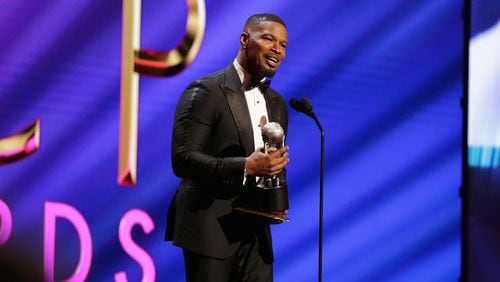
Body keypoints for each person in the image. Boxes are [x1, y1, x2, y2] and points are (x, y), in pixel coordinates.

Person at [166, 13, 290, 282]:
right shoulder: (206, 91)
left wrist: (275, 197)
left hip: (256, 234)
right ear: (245, 40)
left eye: (283, 45)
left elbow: (269, 163)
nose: (277, 50)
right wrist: (246, 166)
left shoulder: (278, 103)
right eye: (268, 39)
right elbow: (183, 159)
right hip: (210, 228)